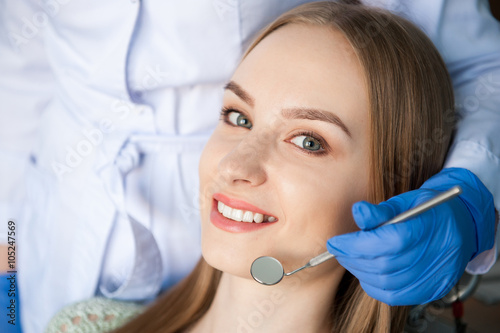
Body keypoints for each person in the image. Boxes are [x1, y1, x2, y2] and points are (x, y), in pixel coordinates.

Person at [0, 0, 498, 332]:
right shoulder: (79, 321)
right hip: (54, 227)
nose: (236, 165)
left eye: (308, 141)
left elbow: (476, 67)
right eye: (236, 117)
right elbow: (18, 77)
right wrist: (8, 249)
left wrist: (470, 192)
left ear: (394, 187)